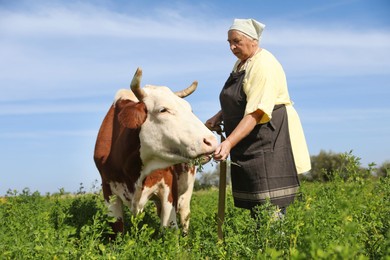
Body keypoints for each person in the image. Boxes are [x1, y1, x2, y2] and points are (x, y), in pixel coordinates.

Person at [206, 18, 311, 217]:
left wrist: (228, 143)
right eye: (229, 42)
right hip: (250, 138)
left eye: (236, 41)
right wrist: (219, 115)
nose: (232, 47)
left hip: (269, 135)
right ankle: (261, 245)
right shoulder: (241, 64)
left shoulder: (264, 65)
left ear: (253, 40)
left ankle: (275, 246)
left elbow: (256, 112)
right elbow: (241, 97)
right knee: (257, 201)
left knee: (271, 202)